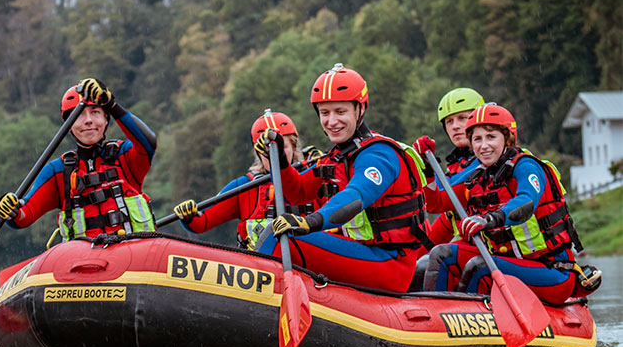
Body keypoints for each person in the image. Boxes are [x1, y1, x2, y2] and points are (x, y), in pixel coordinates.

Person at [256, 63, 430, 293]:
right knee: (276, 231)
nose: (332, 121)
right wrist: (281, 162)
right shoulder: (337, 157)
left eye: (340, 112)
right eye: (325, 113)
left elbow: (355, 196)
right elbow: (298, 192)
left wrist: (310, 222)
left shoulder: (378, 155)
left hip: (389, 265)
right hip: (362, 253)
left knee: (279, 236)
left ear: (360, 110)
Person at [422, 104, 599, 304]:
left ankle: (463, 315)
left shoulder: (526, 166)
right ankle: (434, 311)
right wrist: (427, 170)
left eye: (491, 137)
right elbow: (436, 203)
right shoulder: (478, 178)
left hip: (551, 272)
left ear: (507, 139)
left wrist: (489, 219)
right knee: (442, 254)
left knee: (479, 266)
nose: (483, 145)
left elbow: (526, 200)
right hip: (508, 264)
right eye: (477, 139)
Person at [0, 78, 157, 240]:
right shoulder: (57, 172)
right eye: (79, 115)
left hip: (134, 254)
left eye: (95, 112)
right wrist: (11, 211)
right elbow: (25, 216)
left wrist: (111, 104)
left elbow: (149, 143)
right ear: (69, 125)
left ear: (106, 119)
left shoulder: (125, 156)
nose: (88, 120)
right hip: (85, 261)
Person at [174, 111, 320, 250]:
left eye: (282, 147)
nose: (274, 154)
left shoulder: (314, 177)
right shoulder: (243, 187)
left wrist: (323, 168)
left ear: (294, 147)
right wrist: (188, 216)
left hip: (310, 267)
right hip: (260, 268)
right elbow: (202, 222)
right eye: (267, 149)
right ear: (258, 152)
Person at [413, 88, 485, 246]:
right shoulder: (457, 165)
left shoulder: (485, 162)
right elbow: (431, 200)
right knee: (415, 258)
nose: (455, 126)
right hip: (470, 238)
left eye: (462, 118)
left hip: (498, 249)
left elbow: (437, 203)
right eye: (449, 121)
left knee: (436, 260)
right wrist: (425, 164)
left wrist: (427, 167)